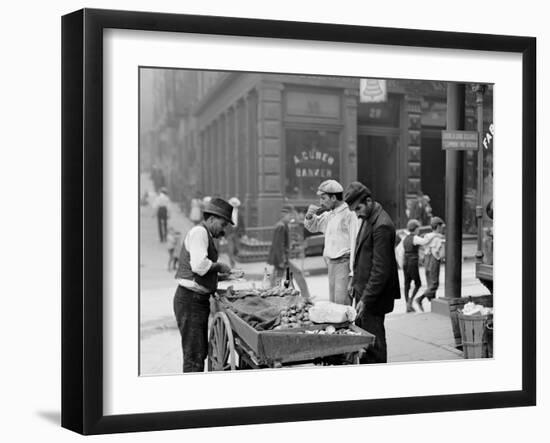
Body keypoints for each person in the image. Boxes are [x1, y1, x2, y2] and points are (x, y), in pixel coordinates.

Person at [173, 197, 233, 372]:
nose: (223, 230)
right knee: (194, 355)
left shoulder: (205, 234)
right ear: (212, 219)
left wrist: (220, 278)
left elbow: (203, 273)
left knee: (198, 352)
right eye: (222, 225)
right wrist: (220, 266)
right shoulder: (200, 232)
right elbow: (199, 267)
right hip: (190, 300)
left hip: (195, 299)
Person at [344, 181, 400, 364]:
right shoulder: (369, 218)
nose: (357, 214)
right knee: (366, 343)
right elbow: (363, 254)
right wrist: (354, 280)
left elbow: (380, 270)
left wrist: (365, 299)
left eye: (358, 208)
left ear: (368, 201)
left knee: (374, 344)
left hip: (373, 298)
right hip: (364, 293)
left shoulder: (382, 225)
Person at [304, 180, 359, 306]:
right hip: (331, 264)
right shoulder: (330, 215)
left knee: (342, 306)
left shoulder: (349, 214)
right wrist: (309, 216)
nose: (321, 202)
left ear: (334, 197)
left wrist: (353, 273)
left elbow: (355, 243)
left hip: (343, 263)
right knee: (334, 305)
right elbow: (314, 226)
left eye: (323, 198)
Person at [267, 205, 311, 299]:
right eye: (289, 215)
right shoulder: (281, 226)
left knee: (277, 277)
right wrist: (282, 260)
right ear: (284, 215)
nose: (291, 217)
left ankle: (270, 294)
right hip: (281, 258)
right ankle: (306, 297)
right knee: (296, 274)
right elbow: (278, 245)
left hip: (281, 257)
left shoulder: (283, 225)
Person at [413, 216, 445, 312]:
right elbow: (442, 254)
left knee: (430, 284)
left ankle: (433, 306)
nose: (442, 228)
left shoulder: (426, 237)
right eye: (441, 226)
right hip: (434, 260)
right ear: (438, 226)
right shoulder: (438, 239)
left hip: (426, 261)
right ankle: (420, 299)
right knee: (434, 284)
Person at [401, 218, 431, 313]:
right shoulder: (415, 238)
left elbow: (401, 251)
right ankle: (411, 301)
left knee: (407, 284)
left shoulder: (405, 238)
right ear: (416, 228)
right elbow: (425, 242)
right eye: (418, 228)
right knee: (418, 283)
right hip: (412, 262)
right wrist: (432, 236)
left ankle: (407, 305)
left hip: (405, 262)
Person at [224, 197, 245, 268]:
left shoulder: (239, 213)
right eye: (232, 203)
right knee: (230, 249)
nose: (233, 205)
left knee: (237, 249)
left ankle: (234, 258)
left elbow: (242, 224)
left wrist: (243, 233)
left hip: (237, 232)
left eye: (235, 204)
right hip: (229, 233)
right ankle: (232, 263)